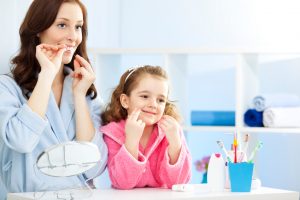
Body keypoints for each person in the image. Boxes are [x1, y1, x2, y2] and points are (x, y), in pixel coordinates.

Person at [0, 0, 108, 198]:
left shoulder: (84, 89)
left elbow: (96, 166)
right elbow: (21, 141)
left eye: (78, 27)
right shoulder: (8, 88)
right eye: (62, 25)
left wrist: (79, 96)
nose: (73, 37)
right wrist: (47, 75)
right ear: (37, 30)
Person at [100, 65, 191, 189]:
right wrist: (131, 141)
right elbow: (122, 183)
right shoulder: (113, 133)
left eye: (160, 100)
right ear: (125, 101)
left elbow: (180, 183)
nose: (153, 104)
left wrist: (175, 143)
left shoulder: (172, 130)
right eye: (144, 96)